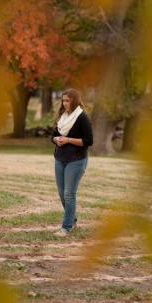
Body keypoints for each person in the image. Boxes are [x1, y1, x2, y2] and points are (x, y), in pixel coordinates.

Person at [51, 88, 93, 236]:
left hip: (76, 160)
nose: (65, 103)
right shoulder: (62, 117)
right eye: (63, 100)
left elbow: (89, 141)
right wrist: (56, 139)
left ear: (74, 101)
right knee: (62, 194)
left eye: (68, 101)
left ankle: (66, 227)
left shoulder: (82, 117)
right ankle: (73, 221)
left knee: (69, 194)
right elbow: (53, 136)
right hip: (60, 159)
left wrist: (68, 140)